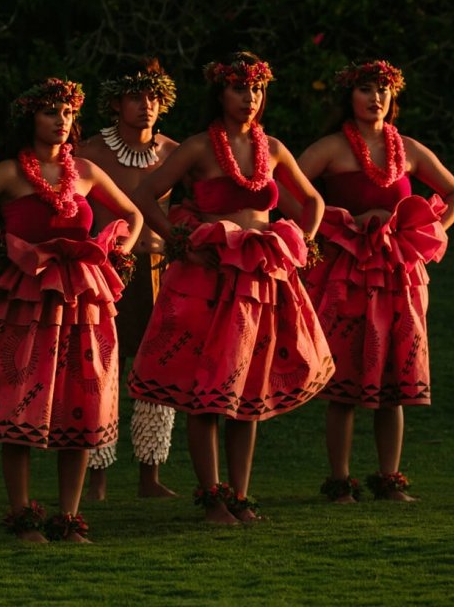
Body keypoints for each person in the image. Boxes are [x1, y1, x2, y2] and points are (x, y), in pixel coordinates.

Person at [127, 52, 333, 525]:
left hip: (259, 278)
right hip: (210, 277)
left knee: (248, 391)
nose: (250, 98)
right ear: (220, 94)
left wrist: (303, 239)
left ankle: (240, 495)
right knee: (209, 389)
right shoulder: (198, 147)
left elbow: (313, 200)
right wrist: (176, 240)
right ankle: (212, 497)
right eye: (240, 89)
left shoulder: (274, 148)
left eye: (256, 89)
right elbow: (144, 195)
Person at [0, 78, 142, 543]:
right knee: (18, 404)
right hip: (26, 300)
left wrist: (118, 253)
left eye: (67, 113)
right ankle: (23, 518)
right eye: (51, 112)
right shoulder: (9, 173)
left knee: (79, 406)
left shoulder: (85, 171)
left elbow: (132, 214)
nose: (60, 121)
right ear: (31, 118)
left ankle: (68, 519)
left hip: (80, 302)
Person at [296, 60, 454, 503]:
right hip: (347, 276)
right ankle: (340, 482)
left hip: (397, 273)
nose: (376, 98)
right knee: (345, 382)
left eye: (383, 90)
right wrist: (332, 229)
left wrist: (426, 230)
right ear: (348, 98)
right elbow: (288, 189)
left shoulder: (407, 148)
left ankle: (389, 480)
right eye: (366, 90)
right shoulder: (331, 148)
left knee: (393, 379)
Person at [75, 59, 182, 500]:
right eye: (137, 97)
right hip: (104, 274)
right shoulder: (90, 153)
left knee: (156, 373)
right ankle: (97, 477)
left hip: (161, 271)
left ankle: (150, 475)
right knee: (102, 372)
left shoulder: (175, 153)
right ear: (116, 102)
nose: (146, 106)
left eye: (154, 97)